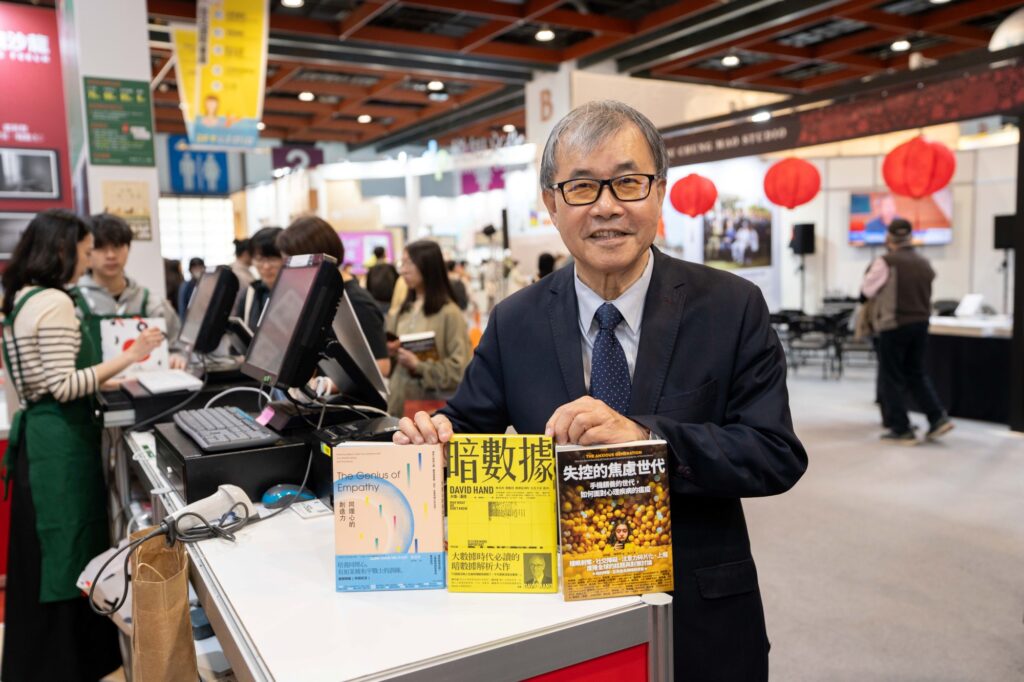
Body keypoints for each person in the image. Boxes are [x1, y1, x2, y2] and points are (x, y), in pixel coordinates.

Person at [395, 100, 807, 681]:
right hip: (557, 618)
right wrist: (433, 438)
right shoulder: (515, 321)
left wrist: (646, 440)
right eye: (582, 186)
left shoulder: (731, 307)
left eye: (628, 182)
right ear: (551, 203)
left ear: (659, 192)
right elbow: (466, 424)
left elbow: (774, 452)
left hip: (698, 614)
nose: (607, 206)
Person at [0, 210, 162, 682]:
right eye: (87, 250)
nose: (91, 259)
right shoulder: (54, 301)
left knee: (49, 553)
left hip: (43, 437)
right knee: (65, 550)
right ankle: (66, 665)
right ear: (62, 250)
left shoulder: (25, 295)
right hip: (59, 444)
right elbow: (63, 385)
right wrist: (131, 356)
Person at [860, 218, 953, 443]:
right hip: (921, 324)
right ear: (910, 236)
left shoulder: (885, 262)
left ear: (889, 237)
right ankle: (937, 417)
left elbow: (866, 291)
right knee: (916, 373)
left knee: (891, 377)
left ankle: (901, 428)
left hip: (894, 324)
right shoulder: (924, 262)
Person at [277, 216, 390, 377]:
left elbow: (381, 365)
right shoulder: (320, 295)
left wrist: (327, 385)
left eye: (295, 261)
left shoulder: (356, 301)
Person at [75, 213, 185, 369]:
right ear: (87, 252)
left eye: (117, 246)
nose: (111, 255)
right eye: (101, 248)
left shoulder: (151, 303)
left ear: (128, 248)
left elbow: (178, 346)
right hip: (94, 384)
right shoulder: (74, 302)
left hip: (147, 382)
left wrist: (176, 357)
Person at [386, 240, 471, 418]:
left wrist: (418, 366)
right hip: (397, 406)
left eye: (409, 263)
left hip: (428, 411)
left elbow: (459, 370)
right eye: (402, 263)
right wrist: (393, 351)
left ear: (428, 266)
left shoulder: (449, 313)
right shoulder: (404, 310)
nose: (403, 270)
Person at [236, 227, 283, 331]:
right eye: (259, 259)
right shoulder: (250, 293)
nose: (266, 266)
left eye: (273, 258)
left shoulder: (295, 293)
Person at [365, 245, 399, 314]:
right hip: (390, 301)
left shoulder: (371, 269)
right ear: (384, 254)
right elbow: (397, 282)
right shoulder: (390, 267)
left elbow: (368, 287)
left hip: (375, 301)